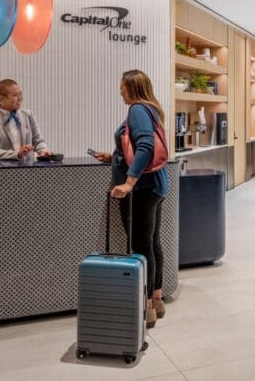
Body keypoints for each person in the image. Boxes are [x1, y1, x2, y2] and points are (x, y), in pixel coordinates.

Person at [94, 70, 168, 329]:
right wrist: (114, 156)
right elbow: (135, 146)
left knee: (140, 245)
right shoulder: (151, 109)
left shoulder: (137, 109)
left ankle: (145, 305)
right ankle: (157, 298)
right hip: (155, 187)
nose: (120, 91)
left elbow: (146, 146)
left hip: (142, 189)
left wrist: (129, 182)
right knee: (151, 242)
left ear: (132, 88)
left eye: (122, 86)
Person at [0, 79, 52, 160]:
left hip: (28, 169)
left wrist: (43, 150)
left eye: (20, 94)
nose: (20, 98)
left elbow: (38, 141)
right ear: (2, 98)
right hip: (1, 170)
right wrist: (17, 154)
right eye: (15, 95)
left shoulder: (28, 115)